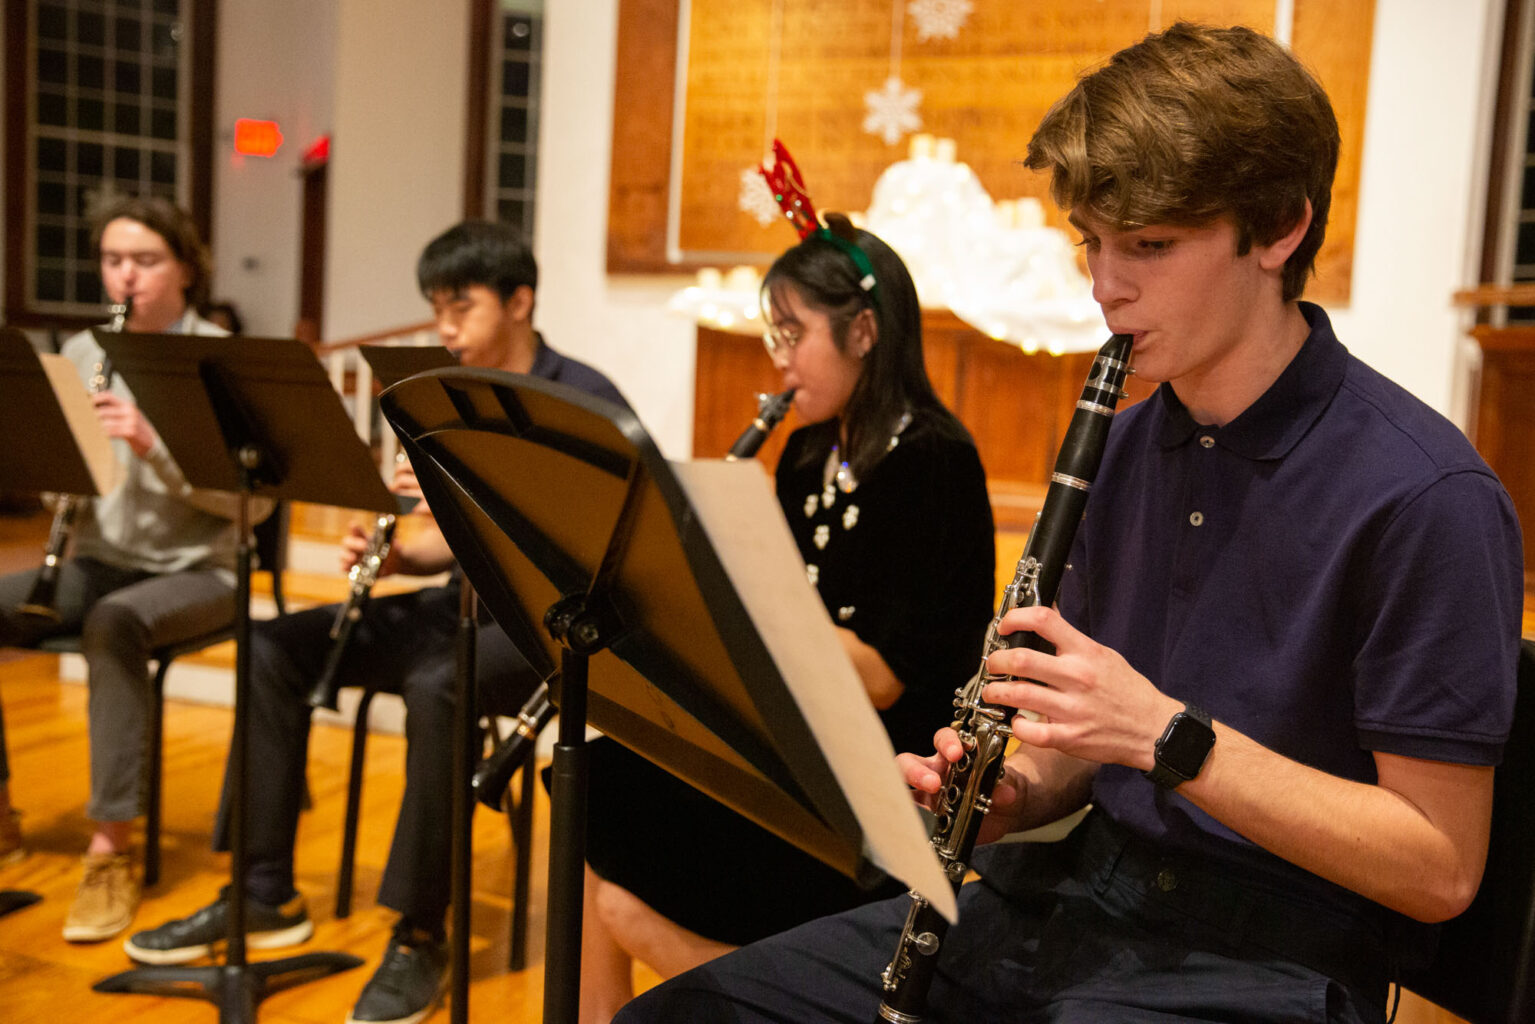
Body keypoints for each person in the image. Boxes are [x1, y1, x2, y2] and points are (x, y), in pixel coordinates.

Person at [615, 23, 1524, 1024]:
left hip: (1266, 958)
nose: (1103, 287)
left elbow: (1438, 867)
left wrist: (1168, 739)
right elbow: (1084, 751)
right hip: (1060, 901)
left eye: (1146, 246)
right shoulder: (1126, 448)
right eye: (1090, 243)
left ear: (1276, 230)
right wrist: (1017, 788)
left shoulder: (1424, 494)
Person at [124, 220, 627, 1024]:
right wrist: (399, 555)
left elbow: (596, 557)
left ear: (521, 301)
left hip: (549, 627)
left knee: (440, 684)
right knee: (273, 648)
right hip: (456, 605)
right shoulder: (442, 394)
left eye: (460, 308)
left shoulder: (584, 401)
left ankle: (420, 933)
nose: (445, 328)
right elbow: (444, 545)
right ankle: (262, 894)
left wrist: (465, 512)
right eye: (436, 309)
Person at [576, 212, 996, 1022]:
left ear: (864, 331)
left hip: (880, 778)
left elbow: (879, 679)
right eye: (774, 334)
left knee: (621, 900)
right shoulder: (809, 452)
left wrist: (746, 586)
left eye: (793, 334)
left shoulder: (935, 460)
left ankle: (774, 998)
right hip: (798, 736)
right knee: (603, 767)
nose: (777, 358)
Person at [0, 195, 260, 943]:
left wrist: (153, 444)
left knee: (115, 625)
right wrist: (59, 455)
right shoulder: (86, 352)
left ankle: (110, 847)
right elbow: (66, 482)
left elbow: (255, 509)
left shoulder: (219, 359)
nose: (125, 276)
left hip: (202, 569)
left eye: (144, 261)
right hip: (103, 558)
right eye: (113, 260)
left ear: (185, 267)